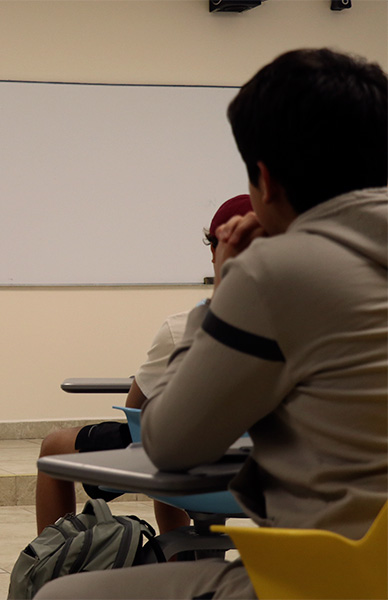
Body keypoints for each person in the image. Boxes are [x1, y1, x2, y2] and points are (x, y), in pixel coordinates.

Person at [35, 48, 387, 599]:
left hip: (331, 577)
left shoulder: (276, 272)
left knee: (60, 595)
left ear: (265, 182)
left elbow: (171, 443)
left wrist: (223, 293)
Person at [35, 194, 253, 536]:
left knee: (54, 448)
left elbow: (135, 410)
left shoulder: (183, 328)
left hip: (186, 464)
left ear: (215, 251)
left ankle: (51, 566)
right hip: (265, 477)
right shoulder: (305, 328)